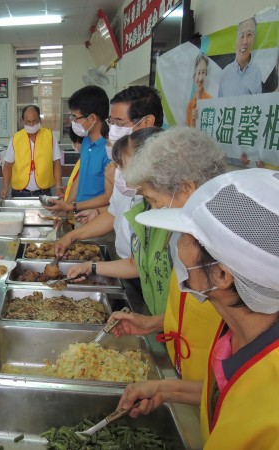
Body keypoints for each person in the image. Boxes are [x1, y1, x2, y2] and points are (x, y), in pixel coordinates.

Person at [117, 168, 279, 449]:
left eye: (188, 238)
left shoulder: (272, 410)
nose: (177, 246)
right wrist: (165, 388)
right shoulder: (236, 335)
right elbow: (231, 396)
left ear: (222, 276)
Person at [67, 127, 226, 316]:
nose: (154, 208)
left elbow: (204, 312)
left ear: (187, 188)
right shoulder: (158, 216)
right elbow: (138, 265)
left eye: (154, 199)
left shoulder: (207, 241)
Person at [55, 85, 165, 259]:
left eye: (119, 123)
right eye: (111, 122)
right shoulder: (121, 166)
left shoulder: (164, 172)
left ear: (147, 122)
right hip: (127, 262)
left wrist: (74, 208)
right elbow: (114, 211)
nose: (112, 130)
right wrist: (72, 235)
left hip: (149, 269)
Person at [45, 86, 112, 215]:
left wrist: (72, 208)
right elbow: (81, 177)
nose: (73, 121)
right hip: (79, 213)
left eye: (76, 117)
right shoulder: (86, 141)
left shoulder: (109, 149)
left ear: (92, 118)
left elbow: (109, 197)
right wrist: (67, 205)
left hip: (97, 217)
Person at [1, 105, 63, 199]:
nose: (31, 125)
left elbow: (56, 162)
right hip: (19, 192)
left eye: (35, 121)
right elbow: (8, 165)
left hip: (44, 192)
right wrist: (5, 187)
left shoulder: (49, 136)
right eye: (28, 122)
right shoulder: (16, 138)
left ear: (39, 120)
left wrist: (59, 187)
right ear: (22, 121)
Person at [218, 17, 261, 97]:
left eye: (249, 35)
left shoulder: (257, 72)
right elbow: (219, 106)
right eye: (241, 35)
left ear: (253, 39)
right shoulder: (225, 74)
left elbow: (260, 106)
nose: (245, 41)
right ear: (236, 38)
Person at [186, 53, 212, 127]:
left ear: (206, 75)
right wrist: (193, 120)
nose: (200, 78)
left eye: (203, 73)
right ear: (194, 76)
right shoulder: (190, 105)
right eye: (199, 73)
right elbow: (188, 133)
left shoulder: (211, 101)